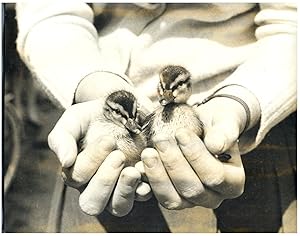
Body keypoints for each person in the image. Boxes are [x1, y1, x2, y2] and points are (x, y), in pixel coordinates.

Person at [15, 2, 296, 232]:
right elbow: (51, 11)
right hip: (100, 127)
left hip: (248, 132)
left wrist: (240, 101)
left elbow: (292, 22)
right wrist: (94, 85)